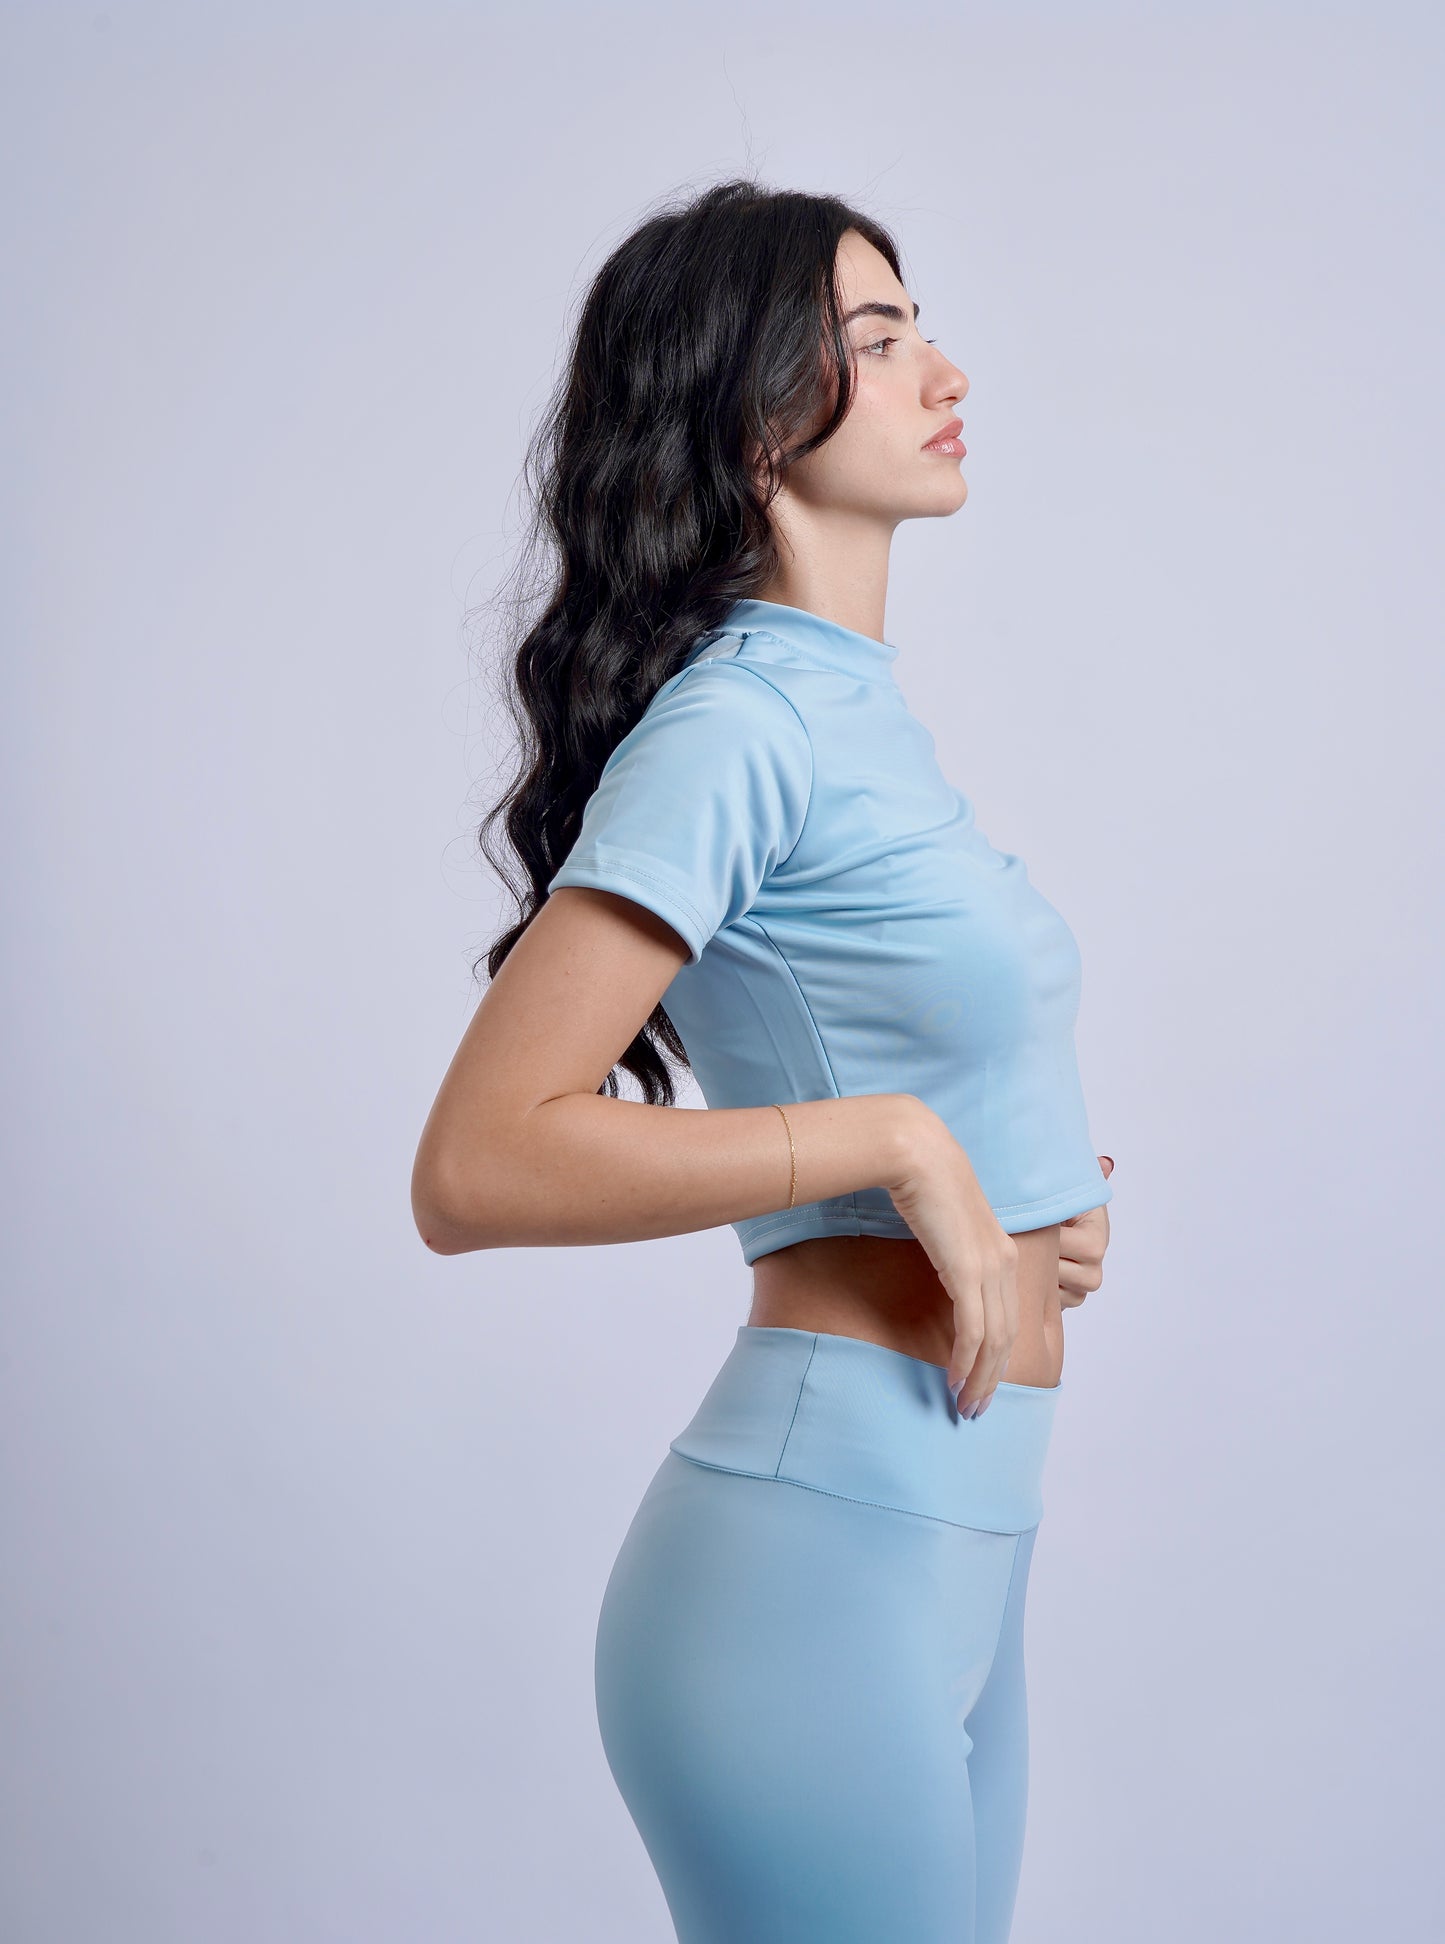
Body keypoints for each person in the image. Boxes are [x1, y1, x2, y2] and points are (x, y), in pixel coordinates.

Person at [411, 178, 1116, 1944]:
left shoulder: (851, 710)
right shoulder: (743, 721)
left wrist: (1029, 1214)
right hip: (815, 1570)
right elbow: (480, 1162)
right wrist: (898, 1147)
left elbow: (899, 1043)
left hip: (961, 1539)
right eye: (875, 342)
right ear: (747, 421)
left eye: (915, 322)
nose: (940, 366)